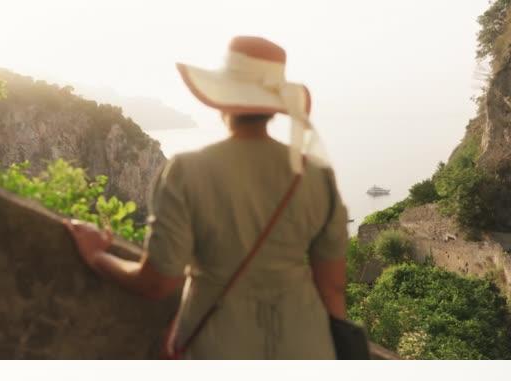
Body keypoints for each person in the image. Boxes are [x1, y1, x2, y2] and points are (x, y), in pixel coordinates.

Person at [66, 37, 349, 359]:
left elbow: (157, 283)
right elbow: (333, 288)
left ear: (222, 100)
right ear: (273, 108)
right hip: (307, 347)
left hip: (219, 346)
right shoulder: (316, 176)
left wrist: (96, 256)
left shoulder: (188, 171)